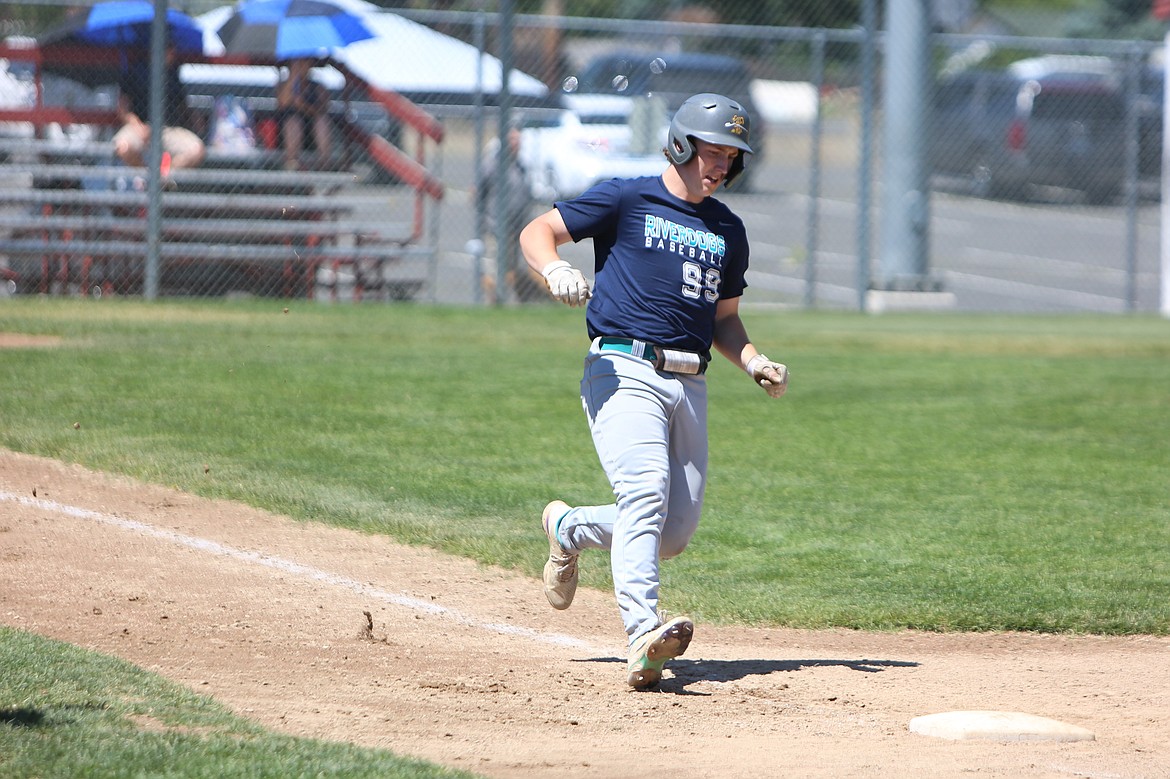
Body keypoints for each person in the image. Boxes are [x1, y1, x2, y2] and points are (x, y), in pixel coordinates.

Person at [518, 93, 790, 690]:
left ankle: (570, 529)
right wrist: (555, 269)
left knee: (673, 533)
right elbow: (538, 231)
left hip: (691, 383)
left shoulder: (727, 229)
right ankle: (644, 632)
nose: (720, 166)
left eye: (731, 157)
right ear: (680, 145)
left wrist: (753, 361)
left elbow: (724, 320)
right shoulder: (626, 195)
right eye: (712, 152)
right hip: (623, 368)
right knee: (644, 491)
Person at [474, 121, 542, 303]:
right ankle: (494, 303)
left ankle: (510, 302)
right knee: (494, 268)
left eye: (517, 141)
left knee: (511, 268)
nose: (515, 144)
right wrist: (484, 220)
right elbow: (479, 193)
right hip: (495, 226)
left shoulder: (521, 166)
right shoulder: (492, 164)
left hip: (517, 228)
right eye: (512, 140)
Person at [113, 46, 205, 177]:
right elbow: (123, 107)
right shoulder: (136, 71)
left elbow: (182, 105)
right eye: (168, 49)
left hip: (168, 129)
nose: (172, 53)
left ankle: (161, 179)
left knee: (196, 150)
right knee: (123, 147)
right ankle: (148, 178)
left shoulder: (173, 74)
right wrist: (137, 125)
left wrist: (195, 118)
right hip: (140, 126)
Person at [274, 58, 333, 170]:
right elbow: (282, 103)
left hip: (311, 133)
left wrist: (303, 105)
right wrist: (293, 77)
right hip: (287, 134)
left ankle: (325, 162)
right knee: (294, 121)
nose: (302, 66)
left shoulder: (317, 86)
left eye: (305, 62)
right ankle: (291, 161)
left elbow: (322, 109)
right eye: (298, 63)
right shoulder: (283, 84)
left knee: (322, 121)